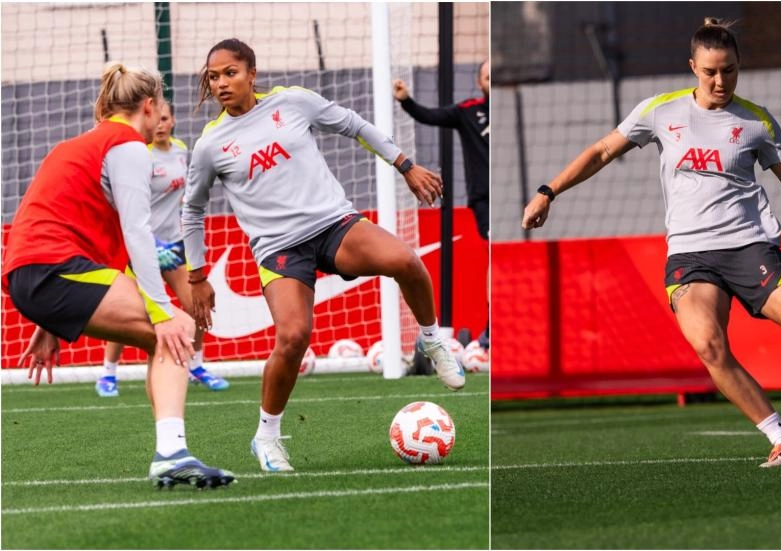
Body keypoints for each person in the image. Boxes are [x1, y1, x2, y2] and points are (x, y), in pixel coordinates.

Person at [521, 18, 781, 468]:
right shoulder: (661, 111)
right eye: (711, 72)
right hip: (690, 256)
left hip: (751, 248)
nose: (721, 81)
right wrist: (548, 191)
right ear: (693, 67)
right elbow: (601, 151)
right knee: (709, 346)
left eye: (731, 71)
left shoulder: (755, 121)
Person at [182, 38, 465, 473]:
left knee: (406, 260)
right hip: (278, 249)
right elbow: (193, 209)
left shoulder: (294, 102)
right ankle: (267, 437)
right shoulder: (210, 145)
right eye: (213, 76)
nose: (221, 83)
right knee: (293, 337)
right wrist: (198, 276)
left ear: (251, 74)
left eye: (230, 73)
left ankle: (432, 341)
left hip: (333, 225)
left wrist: (405, 165)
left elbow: (355, 125)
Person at [2, 63, 234, 488]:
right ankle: (171, 455)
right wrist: (162, 310)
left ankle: (172, 453)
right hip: (52, 271)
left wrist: (45, 320)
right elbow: (137, 231)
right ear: (148, 106)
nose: (161, 118)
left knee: (165, 333)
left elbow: (52, 223)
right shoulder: (127, 145)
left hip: (36, 271)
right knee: (177, 328)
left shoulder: (77, 145)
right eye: (160, 107)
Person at [96, 101, 230, 397]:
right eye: (156, 118)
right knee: (124, 312)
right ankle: (108, 374)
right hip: (141, 248)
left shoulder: (182, 150)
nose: (159, 124)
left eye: (165, 118)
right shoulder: (139, 155)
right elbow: (125, 204)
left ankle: (196, 365)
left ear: (171, 121)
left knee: (197, 306)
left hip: (173, 246)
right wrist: (150, 243)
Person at [393, 59, 491, 348]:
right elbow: (429, 115)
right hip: (485, 199)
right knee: (495, 255)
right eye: (487, 77)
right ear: (479, 82)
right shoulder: (467, 111)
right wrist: (406, 101)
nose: (492, 81)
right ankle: (492, 330)